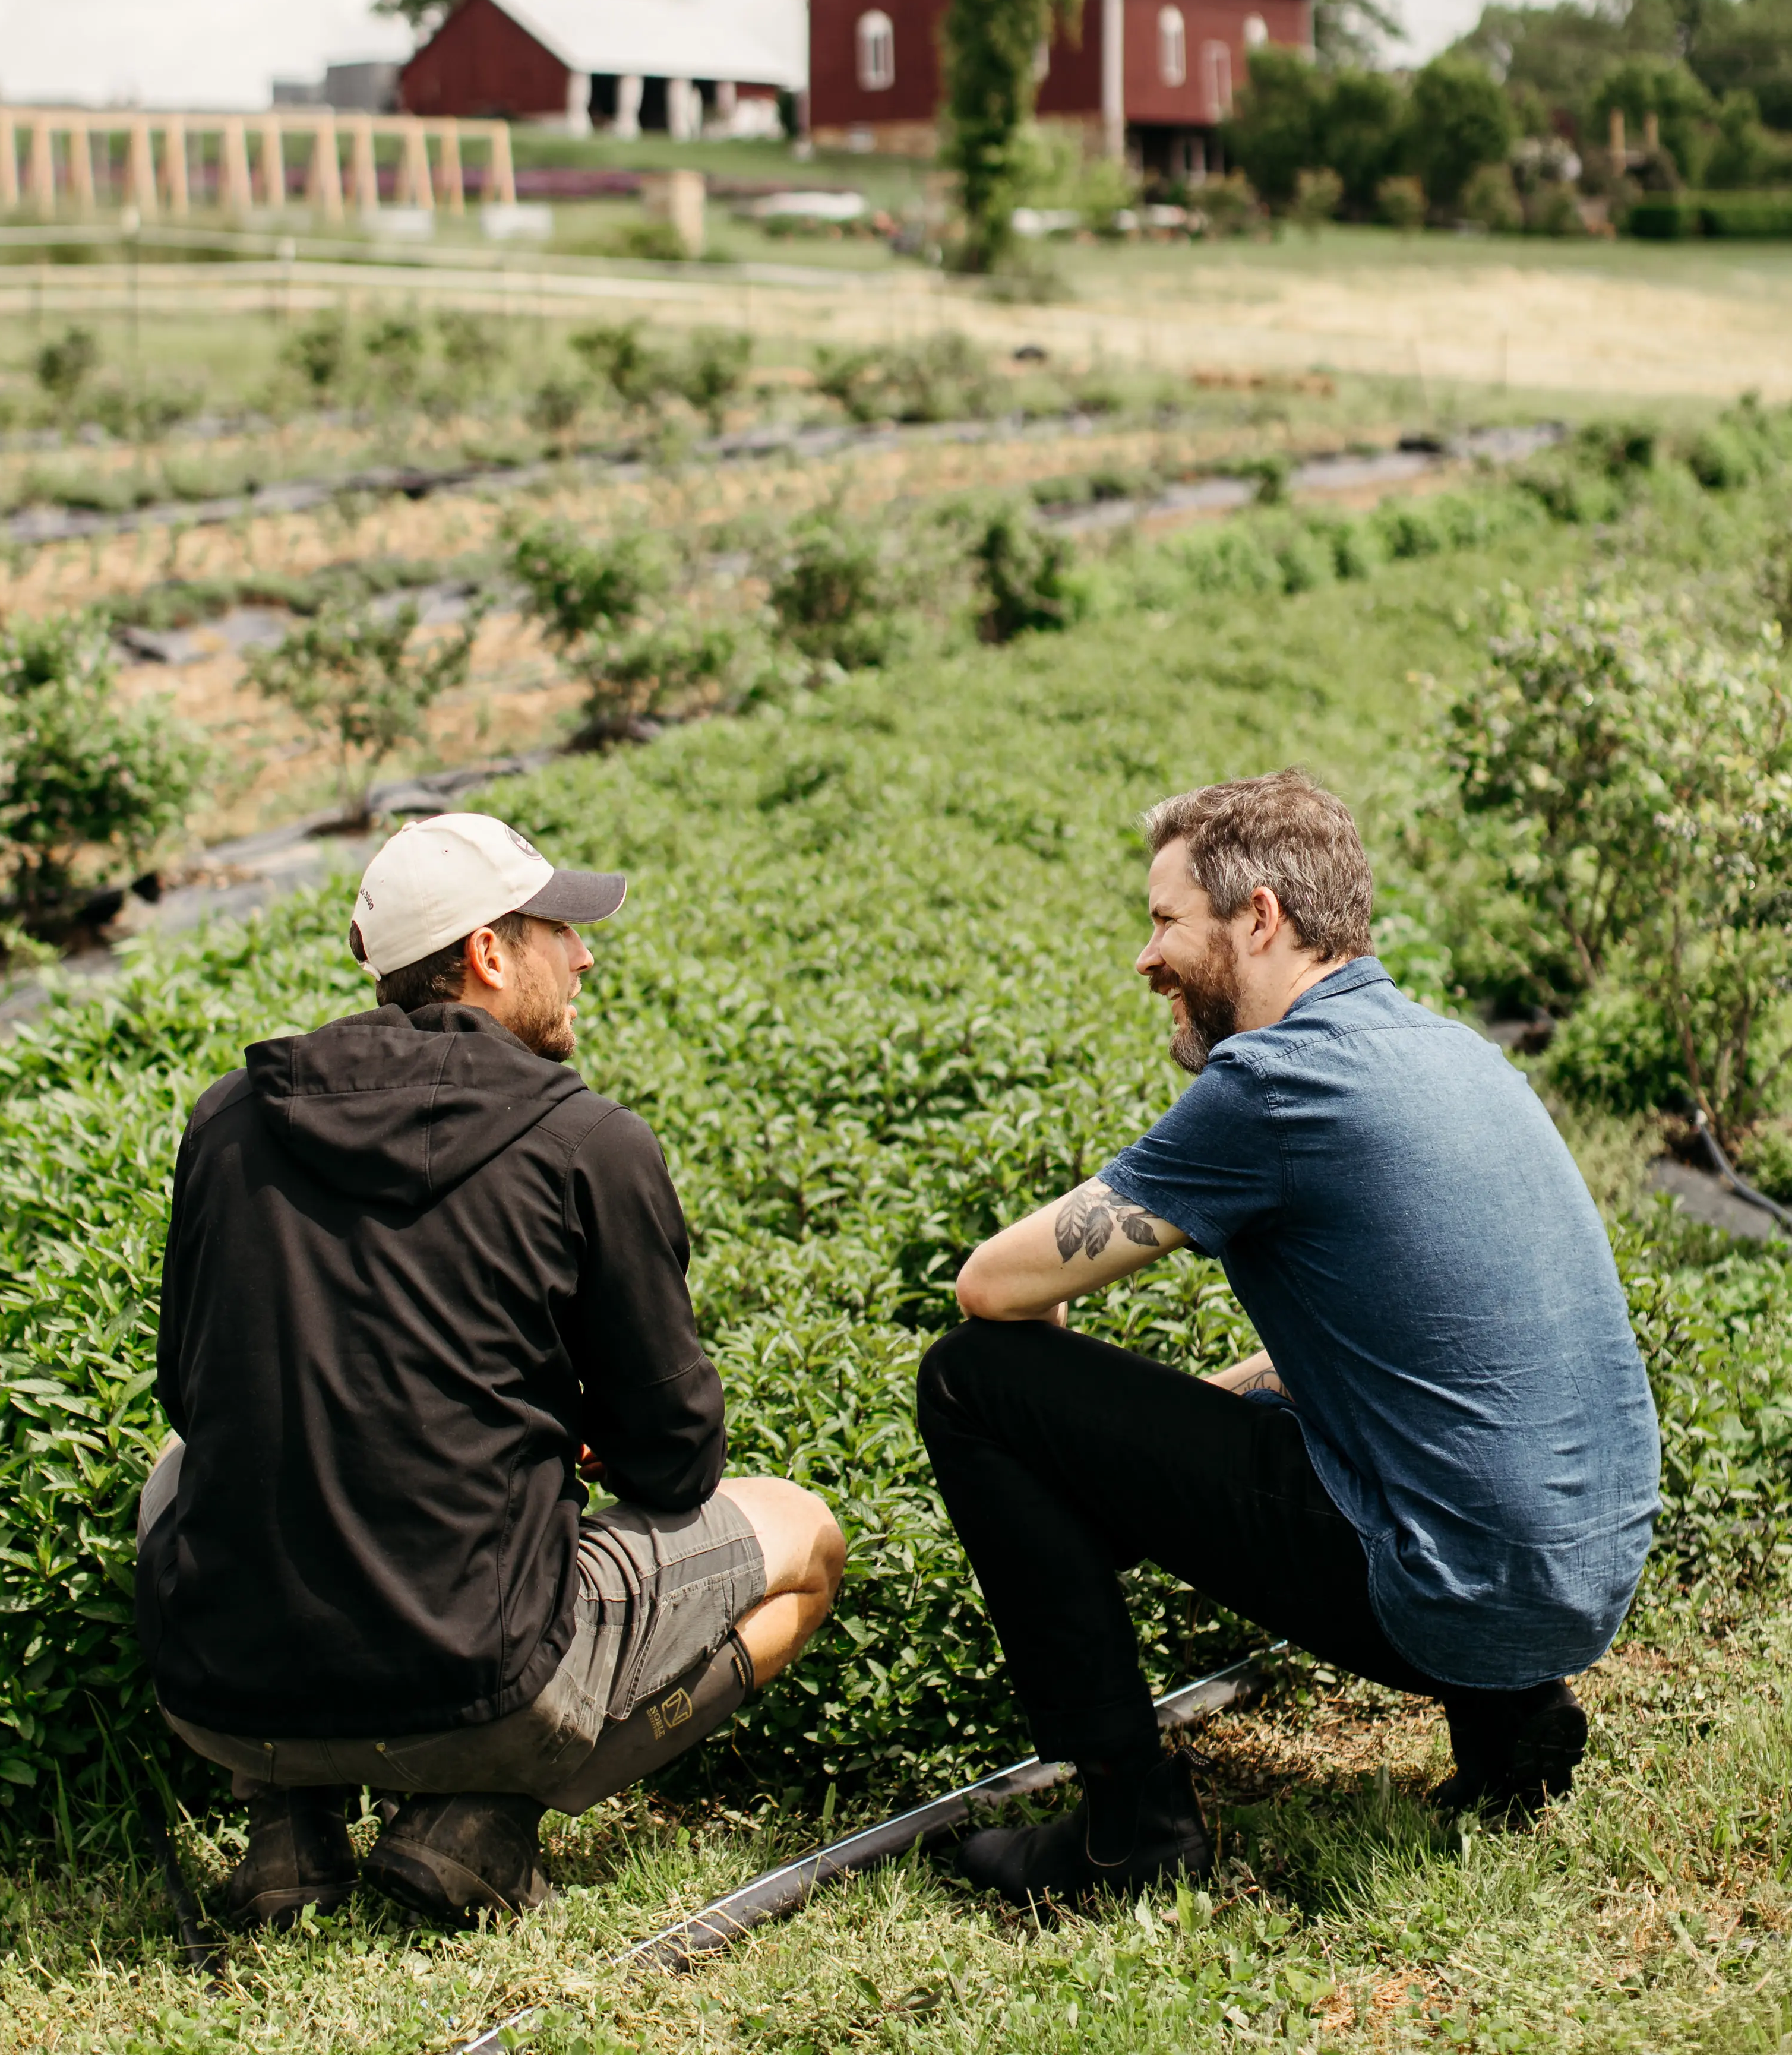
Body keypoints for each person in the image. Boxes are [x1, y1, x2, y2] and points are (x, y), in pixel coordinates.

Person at [916, 770, 1660, 1905]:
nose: (1146, 955)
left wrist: (1071, 1428)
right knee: (1283, 1404)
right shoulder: (1453, 1048)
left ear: (1259, 917)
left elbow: (990, 1288)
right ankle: (1513, 1717)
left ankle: (1128, 1826)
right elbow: (1410, 1357)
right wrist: (1166, 1441)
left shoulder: (1271, 1081)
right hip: (1581, 1578)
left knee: (972, 1382)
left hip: (1449, 1593)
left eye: (1166, 920)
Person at [137, 811, 843, 1929]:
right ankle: (488, 1815)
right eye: (562, 929)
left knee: (179, 1463)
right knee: (805, 1539)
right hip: (488, 1685)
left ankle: (286, 1825)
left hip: (224, 1700)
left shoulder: (225, 1121)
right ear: (488, 954)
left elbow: (191, 1395)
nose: (586, 955)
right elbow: (674, 1463)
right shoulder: (587, 1142)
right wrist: (557, 1431)